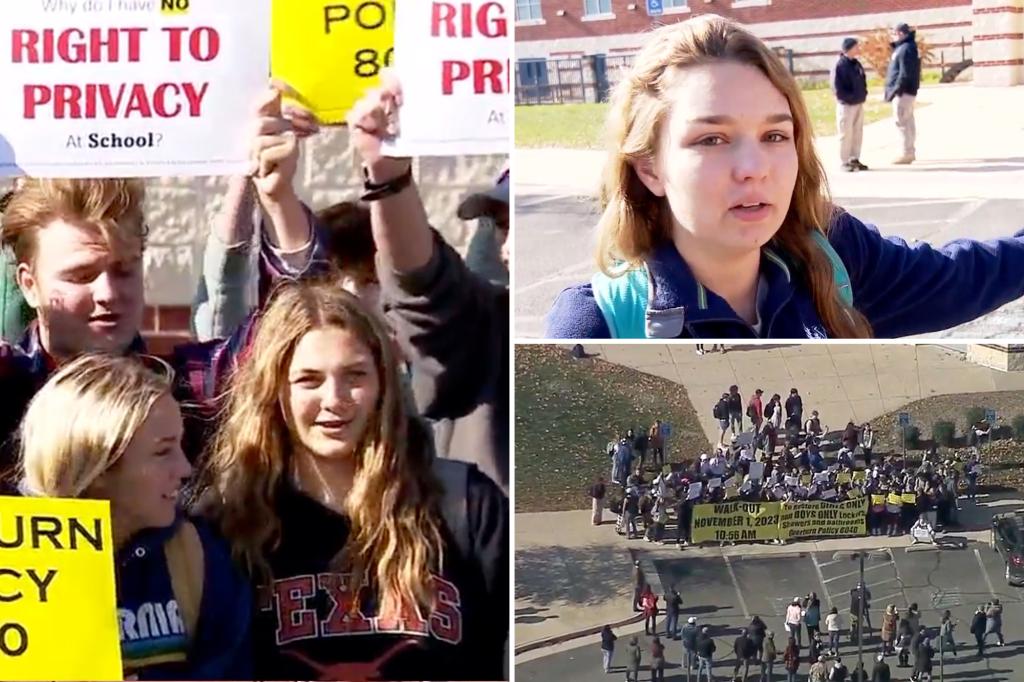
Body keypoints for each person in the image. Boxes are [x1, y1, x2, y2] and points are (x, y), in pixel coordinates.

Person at [544, 14, 1024, 340]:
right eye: (711, 140)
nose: (754, 168)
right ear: (649, 167)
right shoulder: (595, 326)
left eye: (775, 135)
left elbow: (959, 280)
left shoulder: (831, 252)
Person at [0, 85, 318, 488]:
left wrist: (277, 198)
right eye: (81, 276)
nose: (108, 294)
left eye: (124, 270)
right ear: (29, 285)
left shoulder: (186, 392)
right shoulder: (9, 391)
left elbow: (297, 331)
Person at [193, 281, 508, 679]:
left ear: (382, 384)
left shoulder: (466, 506)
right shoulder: (225, 526)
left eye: (355, 375)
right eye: (309, 380)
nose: (334, 398)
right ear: (274, 391)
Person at [18, 354, 252, 679]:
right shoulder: (15, 559)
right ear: (97, 465)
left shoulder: (193, 556)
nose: (185, 469)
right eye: (162, 451)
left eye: (180, 446)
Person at [346, 73, 509, 495]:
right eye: (502, 228)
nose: (507, 248)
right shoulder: (485, 327)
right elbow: (422, 286)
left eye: (519, 224)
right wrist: (387, 176)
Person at [884, 22, 921, 165]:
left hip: (904, 92)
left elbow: (905, 73)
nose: (892, 36)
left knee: (902, 122)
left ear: (900, 33)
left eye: (894, 33)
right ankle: (910, 150)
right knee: (908, 121)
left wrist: (895, 90)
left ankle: (906, 153)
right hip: (907, 91)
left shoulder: (906, 49)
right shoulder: (907, 47)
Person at [831, 37, 869, 172]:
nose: (858, 49)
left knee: (857, 132)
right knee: (845, 133)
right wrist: (849, 98)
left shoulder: (856, 63)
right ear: (849, 48)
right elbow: (837, 88)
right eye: (856, 46)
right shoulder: (840, 65)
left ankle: (855, 158)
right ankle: (844, 161)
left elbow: (862, 80)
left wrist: (863, 94)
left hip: (858, 103)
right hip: (846, 105)